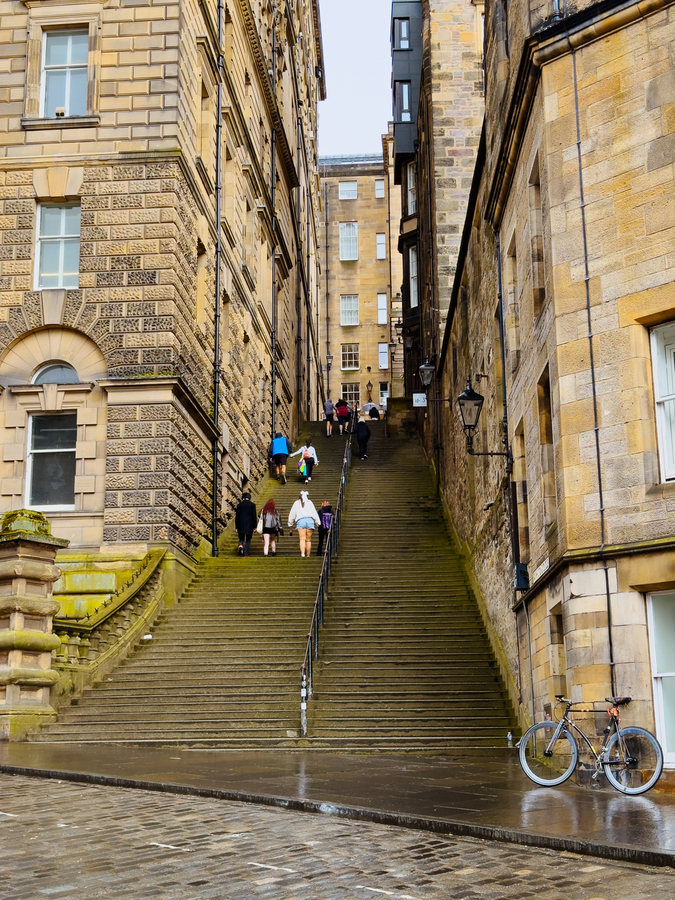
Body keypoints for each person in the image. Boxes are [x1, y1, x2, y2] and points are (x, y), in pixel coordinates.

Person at [288, 490, 320, 557]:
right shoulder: (310, 502)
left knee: (302, 539)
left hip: (301, 521)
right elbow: (314, 512)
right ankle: (308, 555)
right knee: (308, 540)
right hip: (310, 521)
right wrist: (318, 522)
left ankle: (303, 554)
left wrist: (290, 524)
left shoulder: (296, 503)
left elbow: (292, 514)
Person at [234, 491, 257, 557]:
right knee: (248, 539)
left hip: (241, 525)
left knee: (241, 538)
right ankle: (246, 554)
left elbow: (237, 516)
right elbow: (254, 516)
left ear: (243, 498)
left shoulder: (239, 505)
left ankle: (240, 544)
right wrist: (254, 526)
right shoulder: (252, 505)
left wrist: (236, 527)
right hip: (249, 525)